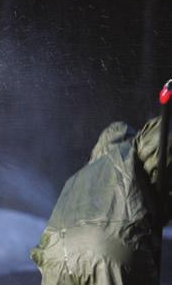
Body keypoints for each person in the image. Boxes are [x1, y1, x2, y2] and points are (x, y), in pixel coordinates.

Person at [30, 117, 171, 285]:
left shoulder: (76, 177)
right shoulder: (131, 151)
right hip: (109, 250)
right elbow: (161, 138)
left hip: (57, 256)